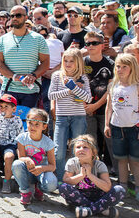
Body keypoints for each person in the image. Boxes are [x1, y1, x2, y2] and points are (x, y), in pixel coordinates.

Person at [0, 5, 50, 108]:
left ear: (26, 17)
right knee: (8, 123)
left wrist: (33, 75)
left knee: (29, 123)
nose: (14, 18)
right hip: (9, 89)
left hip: (31, 91)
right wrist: (14, 76)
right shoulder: (2, 40)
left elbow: (45, 62)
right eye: (12, 16)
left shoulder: (38, 39)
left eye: (18, 15)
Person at [48, 48, 92, 181]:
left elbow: (88, 99)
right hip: (62, 118)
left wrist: (75, 88)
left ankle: (77, 178)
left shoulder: (83, 77)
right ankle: (62, 179)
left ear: (78, 62)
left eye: (71, 61)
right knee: (59, 151)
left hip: (78, 117)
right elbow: (51, 95)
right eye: (65, 60)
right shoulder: (57, 75)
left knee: (78, 150)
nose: (68, 63)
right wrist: (69, 90)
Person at [59, 135, 125, 218]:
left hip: (99, 195)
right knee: (63, 187)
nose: (81, 149)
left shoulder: (100, 165)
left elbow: (107, 187)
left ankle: (88, 210)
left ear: (93, 152)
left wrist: (90, 175)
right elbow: (66, 180)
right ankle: (102, 209)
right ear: (74, 151)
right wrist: (81, 175)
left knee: (120, 190)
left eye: (85, 147)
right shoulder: (72, 162)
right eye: (78, 147)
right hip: (80, 195)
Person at [104, 54, 139, 200]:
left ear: (132, 68)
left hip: (134, 127)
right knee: (121, 159)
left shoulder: (136, 86)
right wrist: (107, 124)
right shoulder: (113, 85)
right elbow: (109, 106)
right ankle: (122, 185)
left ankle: (137, 186)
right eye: (118, 66)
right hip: (117, 127)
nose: (120, 69)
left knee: (135, 160)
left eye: (125, 67)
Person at [83, 31, 115, 170]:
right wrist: (86, 105)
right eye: (88, 43)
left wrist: (95, 105)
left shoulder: (111, 64)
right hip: (86, 108)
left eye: (94, 43)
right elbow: (77, 85)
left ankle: (118, 173)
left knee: (111, 141)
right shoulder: (82, 62)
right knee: (90, 141)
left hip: (104, 108)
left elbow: (110, 90)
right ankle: (94, 171)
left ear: (102, 45)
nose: (91, 46)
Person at [11, 108, 58, 205]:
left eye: (37, 124)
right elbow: (21, 157)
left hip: (41, 171)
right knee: (16, 164)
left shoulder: (48, 143)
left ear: (44, 126)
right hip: (27, 171)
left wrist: (41, 168)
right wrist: (27, 159)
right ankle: (25, 192)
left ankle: (39, 188)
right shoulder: (22, 138)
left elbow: (53, 166)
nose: (33, 126)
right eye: (30, 123)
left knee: (52, 184)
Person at [35, 25, 64, 114]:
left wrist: (53, 71)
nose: (44, 38)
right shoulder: (35, 44)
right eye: (41, 35)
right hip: (39, 76)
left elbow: (63, 59)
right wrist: (44, 71)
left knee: (49, 102)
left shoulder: (57, 43)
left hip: (54, 75)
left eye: (45, 35)